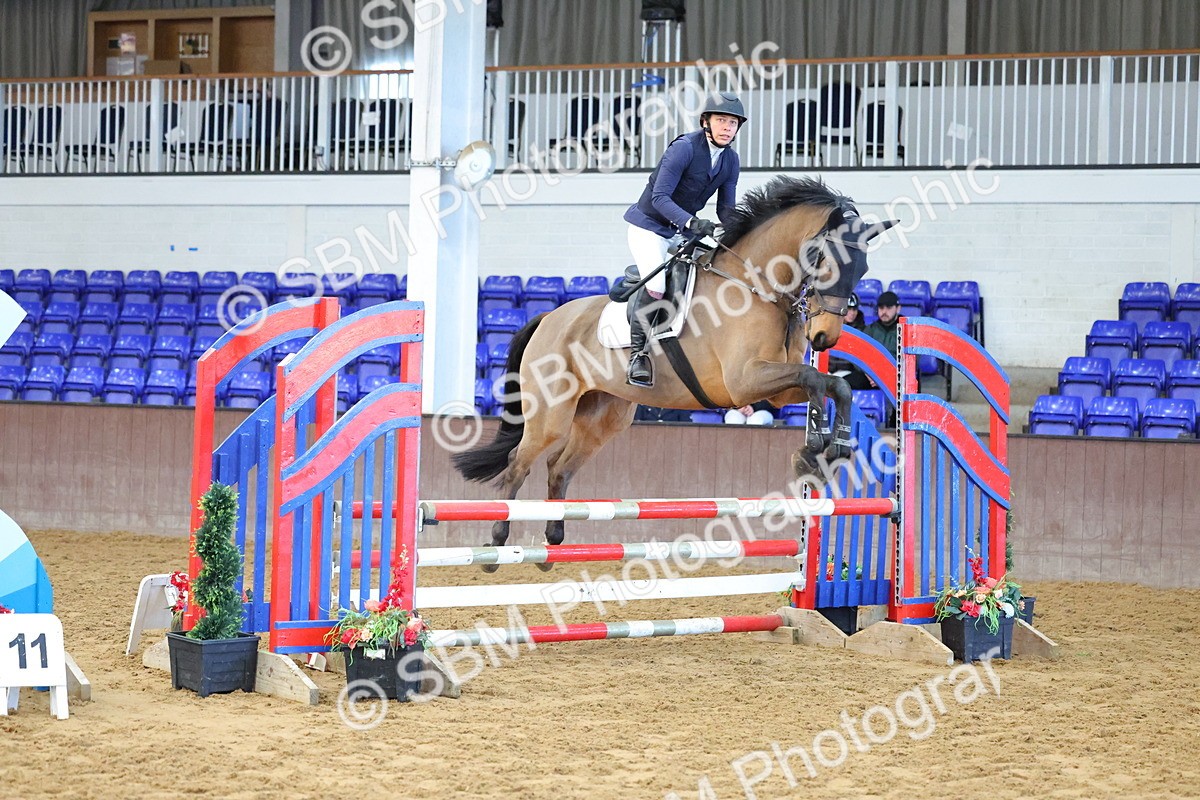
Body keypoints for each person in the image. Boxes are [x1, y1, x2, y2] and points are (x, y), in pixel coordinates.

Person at [621, 91, 747, 387]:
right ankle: (638, 355)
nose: (728, 127)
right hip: (649, 227)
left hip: (682, 231)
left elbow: (726, 209)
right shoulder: (685, 148)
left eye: (733, 122)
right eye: (721, 120)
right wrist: (692, 221)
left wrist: (740, 233)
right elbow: (660, 197)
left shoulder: (730, 160)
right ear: (706, 122)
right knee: (657, 284)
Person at [828, 293, 873, 390]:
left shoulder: (863, 331)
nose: (852, 313)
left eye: (854, 309)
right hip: (828, 371)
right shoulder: (830, 327)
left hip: (850, 372)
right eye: (849, 309)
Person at [863, 290, 901, 356]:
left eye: (889, 308)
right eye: (881, 308)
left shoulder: (907, 331)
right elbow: (860, 356)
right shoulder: (870, 330)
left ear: (898, 309)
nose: (884, 312)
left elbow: (912, 361)